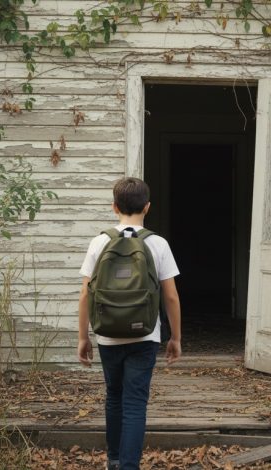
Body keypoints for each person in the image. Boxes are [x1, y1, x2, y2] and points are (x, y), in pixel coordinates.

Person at [77, 177, 182, 470]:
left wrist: (83, 337)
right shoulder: (157, 243)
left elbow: (85, 293)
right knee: (135, 403)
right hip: (145, 335)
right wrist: (175, 338)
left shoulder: (99, 242)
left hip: (108, 335)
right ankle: (129, 466)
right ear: (147, 207)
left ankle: (113, 460)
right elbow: (171, 297)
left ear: (114, 207)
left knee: (114, 397)